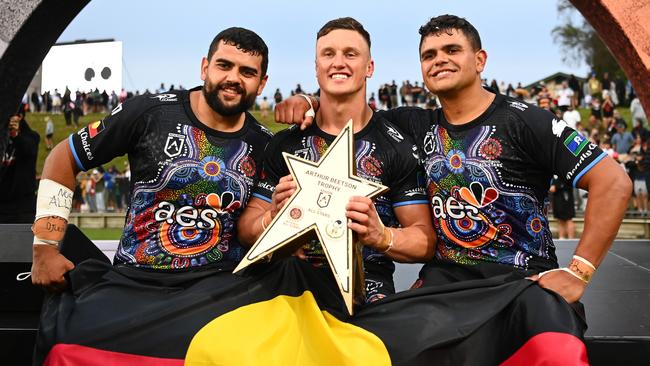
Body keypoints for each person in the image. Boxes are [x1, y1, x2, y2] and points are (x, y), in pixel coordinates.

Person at [277, 14, 631, 364]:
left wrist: (578, 272)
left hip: (522, 284)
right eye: (429, 55)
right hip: (444, 287)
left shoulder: (525, 119)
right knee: (363, 347)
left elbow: (613, 181)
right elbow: (347, 104)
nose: (439, 60)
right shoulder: (411, 125)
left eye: (451, 49)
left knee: (556, 356)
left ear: (480, 60)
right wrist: (309, 101)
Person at [31, 27, 273, 363]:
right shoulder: (150, 112)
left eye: (247, 72)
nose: (233, 78)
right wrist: (45, 248)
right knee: (67, 343)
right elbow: (63, 157)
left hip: (214, 290)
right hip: (133, 281)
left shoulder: (265, 146)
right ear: (205, 67)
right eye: (224, 65)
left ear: (261, 84)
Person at [240, 17, 435, 304]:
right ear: (316, 67)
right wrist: (272, 218)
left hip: (365, 291)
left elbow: (425, 240)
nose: (338, 62)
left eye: (351, 54)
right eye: (328, 54)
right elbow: (247, 230)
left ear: (369, 68)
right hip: (288, 285)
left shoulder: (397, 145)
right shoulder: (286, 143)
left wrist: (381, 236)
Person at [0, 109, 39, 223]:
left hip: (23, 207)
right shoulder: (2, 139)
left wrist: (15, 134)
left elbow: (28, 150)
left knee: (22, 239)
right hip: (2, 204)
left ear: (20, 117)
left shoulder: (32, 137)